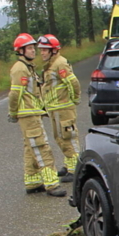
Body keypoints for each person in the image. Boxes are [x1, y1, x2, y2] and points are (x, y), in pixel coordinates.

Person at [8, 33, 66, 197]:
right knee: (42, 148)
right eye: (30, 48)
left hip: (33, 113)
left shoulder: (27, 67)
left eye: (33, 48)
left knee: (30, 148)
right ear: (21, 51)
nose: (34, 51)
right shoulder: (20, 69)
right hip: (29, 116)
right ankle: (51, 184)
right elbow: (15, 94)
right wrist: (13, 113)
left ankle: (32, 182)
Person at [37, 34, 81, 182]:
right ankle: (69, 165)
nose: (42, 52)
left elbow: (73, 82)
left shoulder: (60, 64)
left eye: (45, 50)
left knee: (68, 138)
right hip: (55, 109)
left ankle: (75, 170)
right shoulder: (51, 64)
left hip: (63, 109)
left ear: (54, 50)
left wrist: (74, 99)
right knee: (60, 138)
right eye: (41, 50)